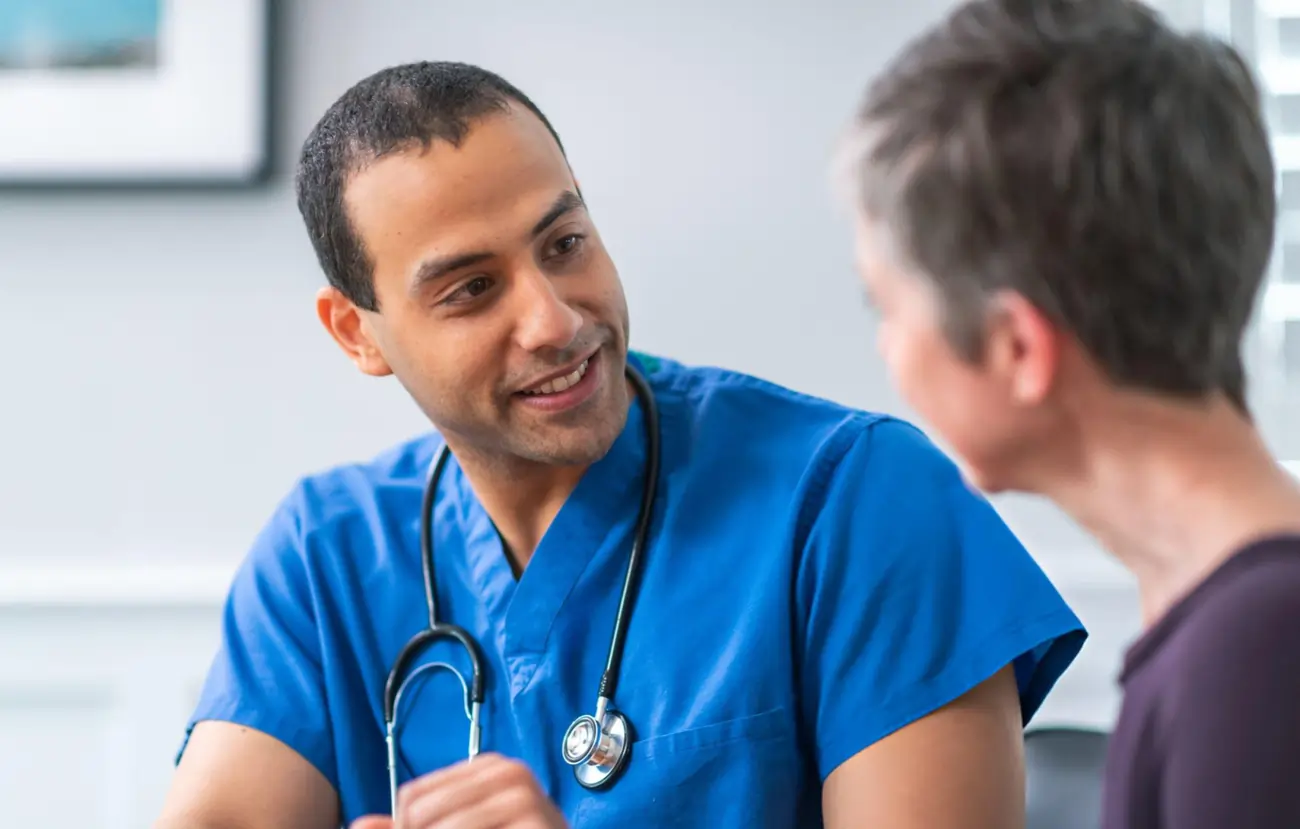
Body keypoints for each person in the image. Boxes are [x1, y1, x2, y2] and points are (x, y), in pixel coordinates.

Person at [154, 61, 1085, 829]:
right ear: (358, 334)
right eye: (473, 290)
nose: (555, 320)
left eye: (563, 244)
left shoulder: (858, 501)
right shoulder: (329, 554)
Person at [836, 1, 1300, 827]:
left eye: (889, 306)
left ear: (1019, 349)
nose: (888, 349)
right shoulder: (1233, 625)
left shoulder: (1257, 663)